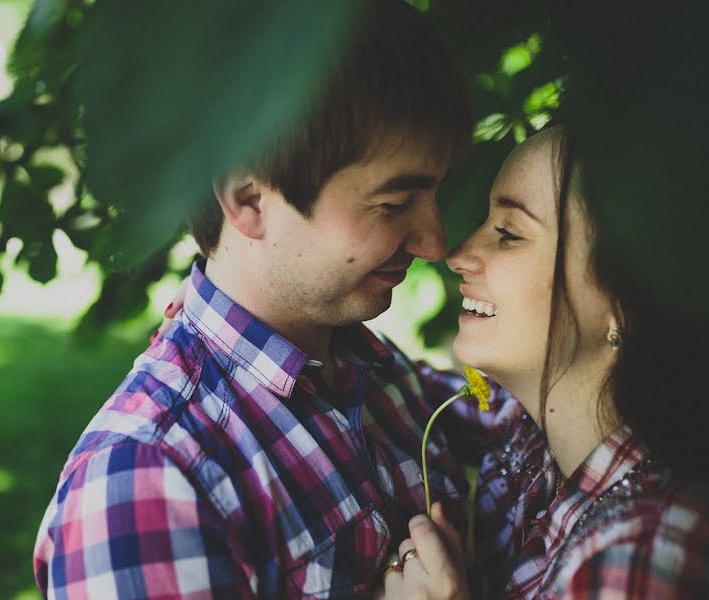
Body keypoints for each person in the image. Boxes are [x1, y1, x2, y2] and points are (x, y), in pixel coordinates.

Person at [33, 1, 476, 597]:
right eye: (393, 204)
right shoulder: (148, 483)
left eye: (435, 193)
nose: (435, 241)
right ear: (248, 200)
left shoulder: (376, 375)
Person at [378, 126, 709, 598]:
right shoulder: (534, 434)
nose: (457, 255)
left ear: (627, 303)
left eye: (509, 234)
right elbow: (398, 387)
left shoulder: (639, 562)